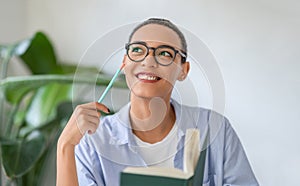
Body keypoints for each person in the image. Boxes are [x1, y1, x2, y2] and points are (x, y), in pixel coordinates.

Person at [56, 18, 259, 186]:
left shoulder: (215, 129)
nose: (149, 61)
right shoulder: (92, 141)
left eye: (164, 53)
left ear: (183, 70)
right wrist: (65, 145)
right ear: (124, 63)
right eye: (137, 50)